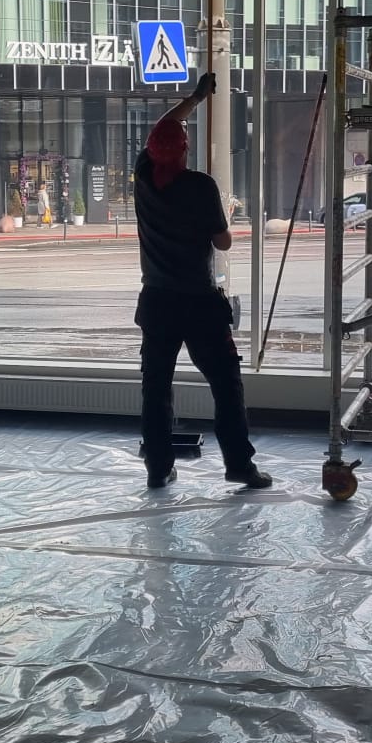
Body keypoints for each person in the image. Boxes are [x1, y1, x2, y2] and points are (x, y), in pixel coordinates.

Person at [134, 73, 271, 491]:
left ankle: (158, 467)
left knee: (156, 387)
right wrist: (224, 214)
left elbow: (163, 127)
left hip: (157, 302)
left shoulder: (143, 175)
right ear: (185, 150)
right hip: (198, 303)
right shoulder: (200, 186)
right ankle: (238, 465)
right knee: (225, 383)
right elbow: (222, 241)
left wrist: (194, 99)